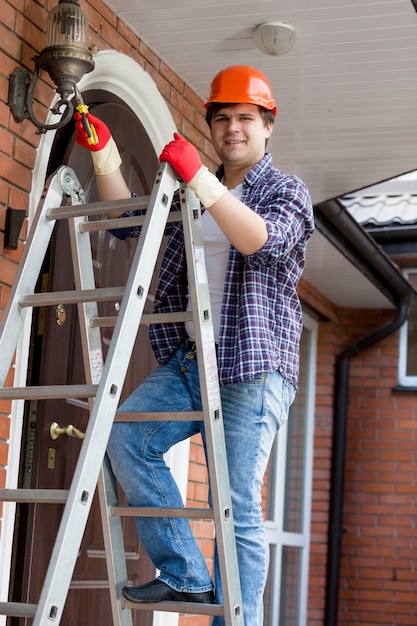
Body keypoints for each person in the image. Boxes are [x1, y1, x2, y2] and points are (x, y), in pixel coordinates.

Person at [74, 65, 314, 626]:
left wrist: (200, 181)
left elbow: (262, 242)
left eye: (246, 118)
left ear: (268, 126)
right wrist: (105, 155)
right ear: (212, 124)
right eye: (223, 117)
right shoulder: (193, 189)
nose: (234, 128)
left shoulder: (284, 191)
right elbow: (130, 223)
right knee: (126, 433)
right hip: (193, 359)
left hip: (252, 367)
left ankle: (239, 620)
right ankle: (184, 572)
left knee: (236, 508)